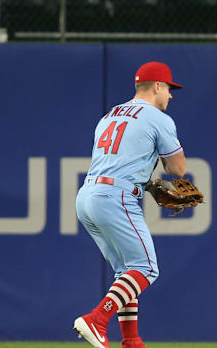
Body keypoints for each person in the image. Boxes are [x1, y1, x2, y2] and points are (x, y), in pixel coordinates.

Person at [73, 62, 187, 348]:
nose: (171, 96)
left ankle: (131, 341)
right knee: (147, 268)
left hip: (88, 195)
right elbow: (178, 168)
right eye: (170, 89)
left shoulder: (109, 115)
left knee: (127, 273)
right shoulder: (158, 118)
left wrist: (147, 184)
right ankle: (98, 320)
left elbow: (118, 161)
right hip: (116, 198)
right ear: (158, 86)